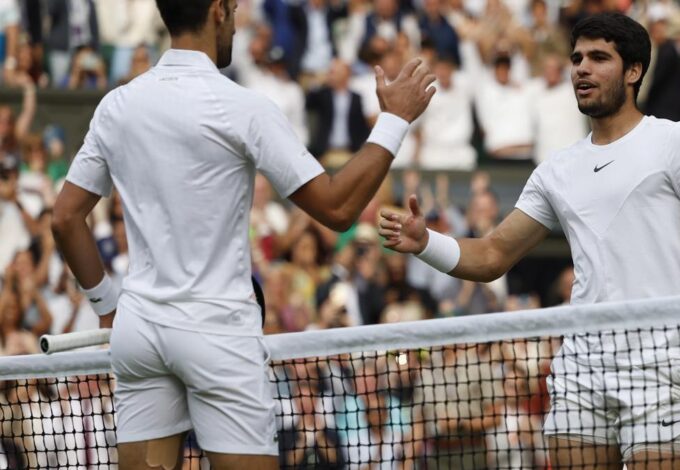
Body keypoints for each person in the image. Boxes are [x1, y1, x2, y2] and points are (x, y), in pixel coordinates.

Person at [50, 0, 435, 469]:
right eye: (232, 9)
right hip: (217, 336)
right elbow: (338, 208)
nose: (234, 20)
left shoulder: (118, 104)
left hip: (140, 334)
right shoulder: (243, 106)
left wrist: (108, 310)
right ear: (216, 11)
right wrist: (394, 121)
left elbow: (66, 218)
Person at [380, 12, 680, 470]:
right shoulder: (555, 171)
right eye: (576, 58)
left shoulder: (675, 141)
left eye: (599, 58)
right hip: (582, 369)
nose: (581, 69)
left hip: (662, 367)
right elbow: (493, 254)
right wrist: (425, 242)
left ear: (633, 71)